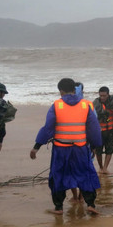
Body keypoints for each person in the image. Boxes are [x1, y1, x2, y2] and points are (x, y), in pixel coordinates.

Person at [30, 78, 101, 215]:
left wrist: (36, 146)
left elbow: (48, 128)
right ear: (75, 90)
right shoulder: (86, 105)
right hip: (80, 149)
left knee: (58, 176)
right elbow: (94, 129)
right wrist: (94, 146)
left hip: (61, 149)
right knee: (85, 174)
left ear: (61, 91)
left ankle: (58, 207)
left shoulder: (56, 105)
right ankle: (91, 204)